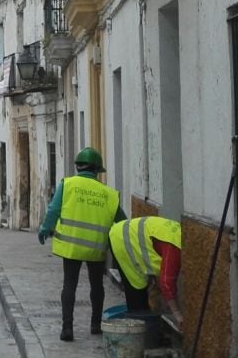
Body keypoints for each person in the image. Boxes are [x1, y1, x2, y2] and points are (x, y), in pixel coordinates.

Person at [38, 147, 125, 342]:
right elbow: (121, 220)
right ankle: (95, 325)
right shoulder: (108, 194)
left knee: (69, 284)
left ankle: (67, 327)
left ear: (78, 167)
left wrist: (45, 228)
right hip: (96, 247)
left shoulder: (67, 184)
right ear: (96, 170)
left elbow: (53, 209)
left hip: (71, 246)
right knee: (97, 285)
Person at [109, 216, 184, 329]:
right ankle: (137, 333)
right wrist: (177, 313)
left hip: (126, 232)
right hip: (121, 240)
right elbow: (166, 284)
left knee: (141, 292)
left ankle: (147, 329)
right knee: (136, 291)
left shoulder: (178, 235)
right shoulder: (174, 248)